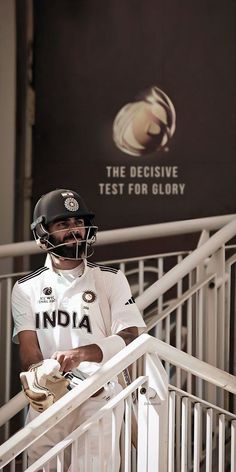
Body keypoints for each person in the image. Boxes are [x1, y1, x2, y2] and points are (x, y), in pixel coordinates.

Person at [11, 188, 146, 471]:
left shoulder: (110, 279)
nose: (75, 230)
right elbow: (28, 349)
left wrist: (82, 354)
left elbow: (131, 335)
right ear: (43, 234)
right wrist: (41, 375)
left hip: (99, 397)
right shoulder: (25, 288)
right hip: (49, 399)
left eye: (78, 223)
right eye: (63, 224)